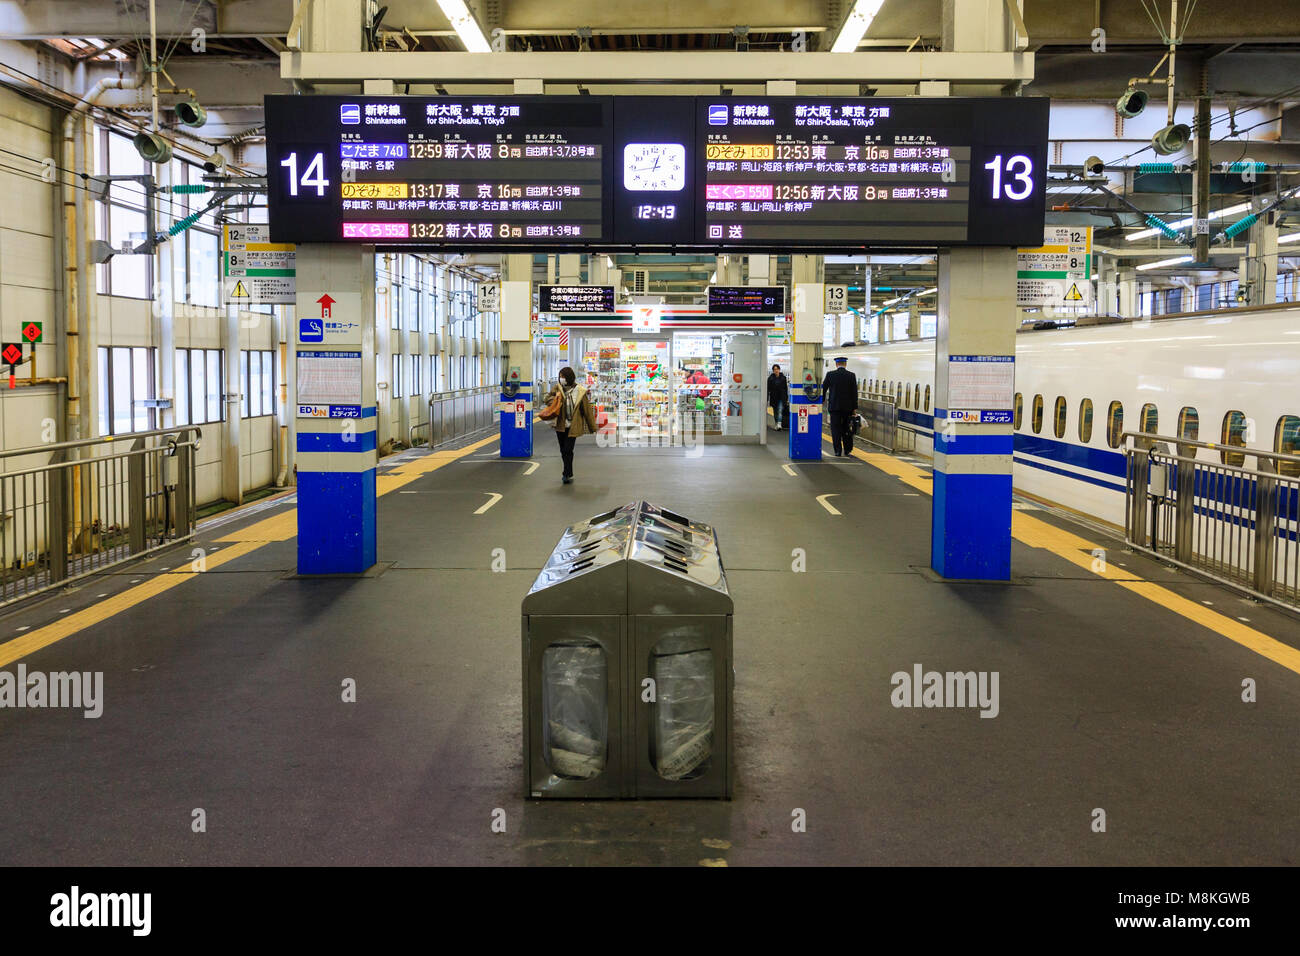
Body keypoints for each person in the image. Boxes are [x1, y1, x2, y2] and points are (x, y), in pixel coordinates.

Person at [543, 366, 598, 484]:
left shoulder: (580, 391)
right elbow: (546, 398)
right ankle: (567, 472)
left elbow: (587, 410)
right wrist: (555, 400)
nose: (561, 379)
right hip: (560, 425)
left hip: (573, 425)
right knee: (563, 450)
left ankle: (566, 473)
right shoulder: (557, 388)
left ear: (569, 377)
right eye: (560, 376)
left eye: (563, 376)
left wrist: (592, 426)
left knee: (568, 449)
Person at [821, 356, 859, 457]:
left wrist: (822, 400)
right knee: (847, 428)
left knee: (835, 429)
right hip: (848, 408)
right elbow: (854, 393)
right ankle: (847, 450)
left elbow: (823, 388)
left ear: (836, 364)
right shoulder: (851, 375)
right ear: (845, 364)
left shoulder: (830, 375)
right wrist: (854, 408)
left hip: (834, 408)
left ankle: (837, 451)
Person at [767, 364, 789, 430]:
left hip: (781, 397)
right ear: (773, 371)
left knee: (780, 410)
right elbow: (769, 389)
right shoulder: (770, 378)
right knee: (775, 411)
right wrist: (767, 397)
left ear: (779, 370)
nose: (776, 370)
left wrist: (786, 398)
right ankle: (776, 423)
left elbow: (785, 388)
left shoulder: (783, 378)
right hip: (774, 397)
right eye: (774, 369)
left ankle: (779, 424)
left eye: (777, 369)